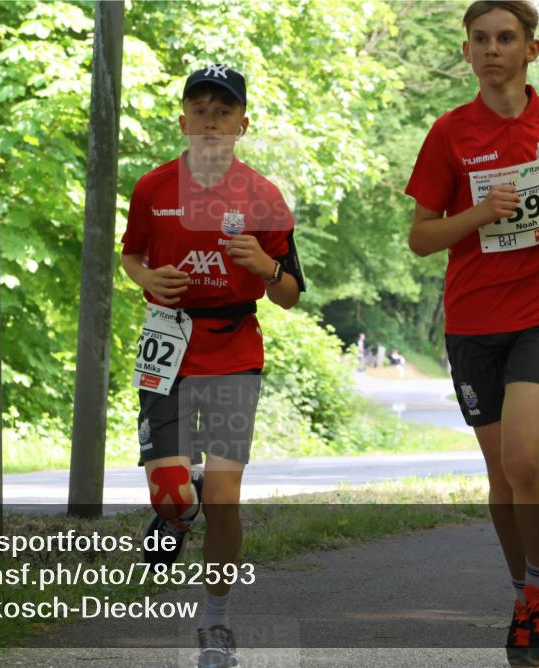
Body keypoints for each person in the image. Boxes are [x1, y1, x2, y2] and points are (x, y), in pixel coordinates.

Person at [405, 2, 539, 666]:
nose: (492, 48)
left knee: (525, 458)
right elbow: (420, 237)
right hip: (472, 321)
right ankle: (524, 595)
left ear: (532, 49)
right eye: (480, 40)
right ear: (467, 52)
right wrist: (478, 213)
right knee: (500, 474)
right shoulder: (450, 132)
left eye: (506, 38)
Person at [121, 63, 305, 668]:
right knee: (173, 492)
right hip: (168, 346)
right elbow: (132, 258)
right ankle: (176, 509)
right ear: (182, 120)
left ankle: (217, 623)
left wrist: (264, 265)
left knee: (225, 497)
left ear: (242, 124)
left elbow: (291, 293)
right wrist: (149, 277)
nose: (210, 121)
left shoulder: (264, 197)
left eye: (223, 111)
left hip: (232, 348)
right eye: (199, 109)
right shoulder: (152, 188)